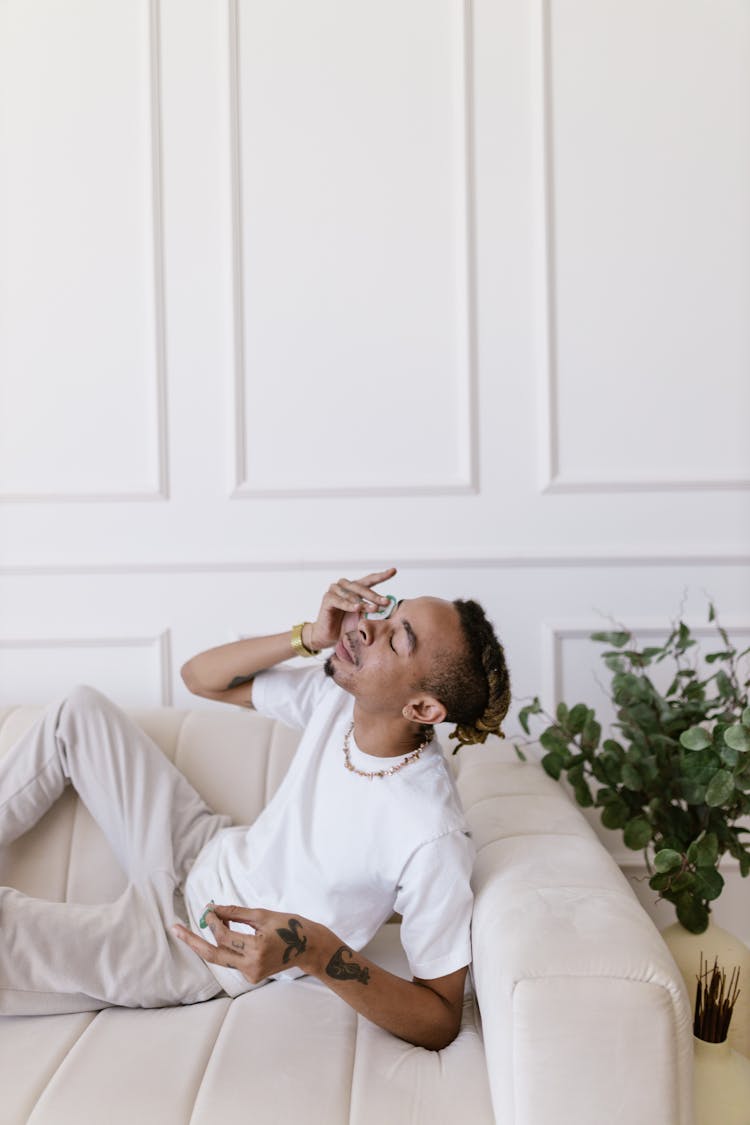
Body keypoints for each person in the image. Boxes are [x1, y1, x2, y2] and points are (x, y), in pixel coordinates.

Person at [0, 567, 510, 1050]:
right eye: (390, 612)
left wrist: (315, 950)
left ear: (422, 709)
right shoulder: (336, 699)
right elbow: (200, 677)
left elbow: (440, 1016)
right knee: (79, 711)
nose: (370, 627)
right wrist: (309, 635)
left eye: (398, 639)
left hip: (196, 946)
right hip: (197, 845)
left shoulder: (431, 834)